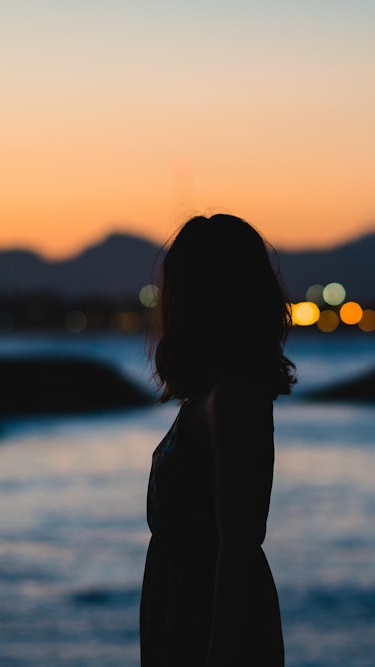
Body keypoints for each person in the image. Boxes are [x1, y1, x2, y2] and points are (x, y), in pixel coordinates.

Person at [140, 213, 295, 666]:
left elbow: (240, 541)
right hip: (186, 618)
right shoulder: (212, 396)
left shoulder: (233, 398)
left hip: (211, 631)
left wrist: (219, 654)